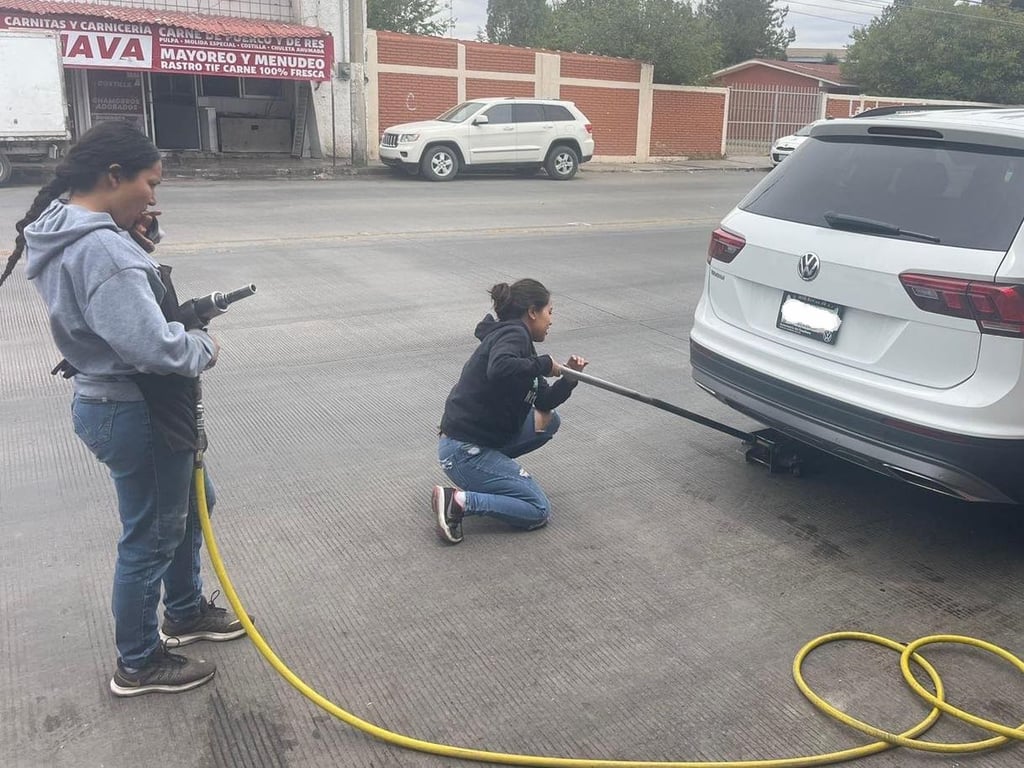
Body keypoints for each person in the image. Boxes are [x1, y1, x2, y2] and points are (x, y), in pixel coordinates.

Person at [0, 121, 248, 697]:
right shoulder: (102, 249)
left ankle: (184, 612)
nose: (154, 199)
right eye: (150, 184)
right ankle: (138, 662)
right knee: (153, 536)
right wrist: (202, 347)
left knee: (193, 502)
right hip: (134, 409)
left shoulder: (61, 225)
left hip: (107, 400)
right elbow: (152, 347)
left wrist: (134, 239)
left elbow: (115, 312)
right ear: (114, 176)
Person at [434, 279, 588, 544]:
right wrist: (542, 364)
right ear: (532, 312)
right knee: (538, 509)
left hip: (473, 442)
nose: (551, 321)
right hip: (464, 451)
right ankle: (458, 501)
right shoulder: (513, 335)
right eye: (549, 312)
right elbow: (500, 368)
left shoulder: (521, 343)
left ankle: (489, 472)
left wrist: (569, 379)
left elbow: (544, 400)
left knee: (548, 421)